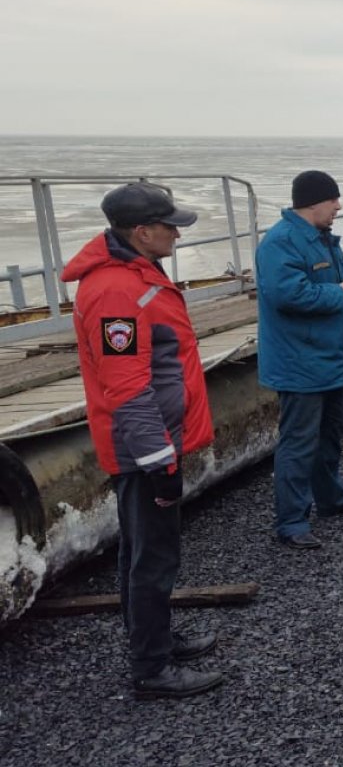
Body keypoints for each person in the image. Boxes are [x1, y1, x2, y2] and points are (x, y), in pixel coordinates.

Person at [61, 183, 223, 700]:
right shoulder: (115, 291)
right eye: (169, 225)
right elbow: (127, 386)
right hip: (142, 447)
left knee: (144, 549)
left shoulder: (136, 274)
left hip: (150, 441)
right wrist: (160, 462)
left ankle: (155, 640)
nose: (177, 233)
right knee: (152, 556)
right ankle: (152, 667)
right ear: (141, 231)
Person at [256, 170, 343, 549]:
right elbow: (287, 295)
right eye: (333, 200)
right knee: (298, 442)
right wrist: (339, 296)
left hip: (328, 359)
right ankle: (291, 522)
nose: (339, 206)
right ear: (313, 202)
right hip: (299, 363)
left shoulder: (324, 239)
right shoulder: (280, 242)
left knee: (329, 435)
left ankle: (331, 498)